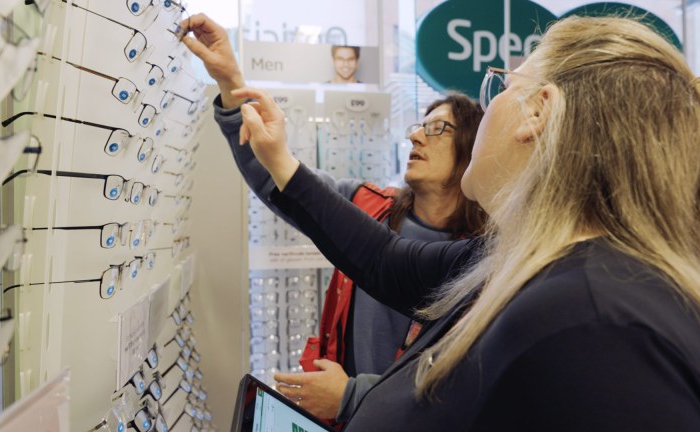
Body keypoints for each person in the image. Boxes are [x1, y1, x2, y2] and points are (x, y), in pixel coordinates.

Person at [198, 14, 700, 431]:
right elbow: (385, 261)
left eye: (503, 87)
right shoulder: (525, 265)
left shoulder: (600, 330)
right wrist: (276, 152)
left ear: (537, 112)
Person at [181, 13, 485, 423]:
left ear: (471, 148)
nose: (416, 136)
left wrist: (352, 394)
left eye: (437, 129)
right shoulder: (369, 205)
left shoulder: (479, 259)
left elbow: (464, 388)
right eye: (418, 126)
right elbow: (283, 185)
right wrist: (232, 85)